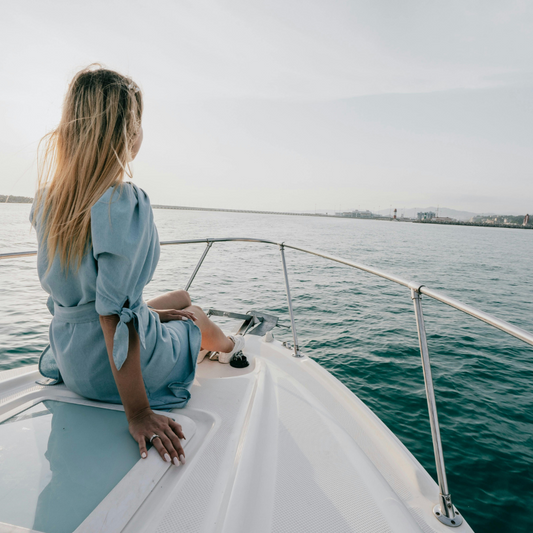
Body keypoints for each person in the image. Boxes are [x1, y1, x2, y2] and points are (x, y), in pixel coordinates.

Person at [30, 64, 245, 467]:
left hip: (72, 358)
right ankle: (233, 347)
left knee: (177, 297)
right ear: (129, 133)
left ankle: (191, 325)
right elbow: (116, 318)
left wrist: (150, 313)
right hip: (111, 373)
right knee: (192, 315)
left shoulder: (48, 202)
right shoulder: (123, 203)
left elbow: (102, 304)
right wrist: (139, 413)